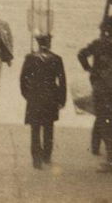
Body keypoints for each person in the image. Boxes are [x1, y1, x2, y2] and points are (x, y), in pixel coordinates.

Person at [78, 19, 112, 173]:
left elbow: (81, 54)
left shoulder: (99, 44)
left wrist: (90, 69)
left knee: (104, 122)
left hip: (101, 87)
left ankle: (111, 160)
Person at [20, 33, 67, 169]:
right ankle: (47, 155)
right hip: (50, 98)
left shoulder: (30, 58)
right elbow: (62, 81)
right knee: (48, 127)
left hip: (34, 98)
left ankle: (36, 159)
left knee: (35, 129)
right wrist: (61, 100)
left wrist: (27, 95)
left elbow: (23, 79)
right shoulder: (57, 59)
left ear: (38, 43)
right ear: (50, 43)